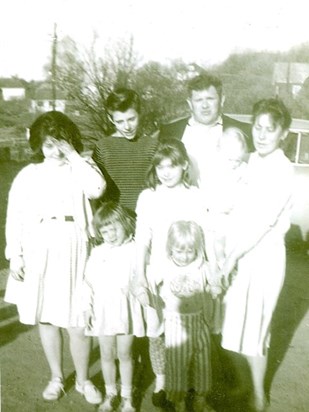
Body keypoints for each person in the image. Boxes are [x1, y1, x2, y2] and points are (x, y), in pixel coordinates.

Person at [4, 111, 106, 404]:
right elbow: (16, 218)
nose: (55, 150)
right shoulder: (29, 175)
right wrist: (16, 255)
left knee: (78, 319)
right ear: (39, 144)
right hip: (40, 245)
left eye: (60, 142)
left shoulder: (81, 167)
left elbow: (97, 189)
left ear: (70, 141)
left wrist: (73, 155)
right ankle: (57, 377)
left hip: (75, 243)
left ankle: (84, 380)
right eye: (49, 144)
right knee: (47, 318)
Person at [220, 98, 294, 411]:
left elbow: (262, 224)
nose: (261, 135)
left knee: (256, 329)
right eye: (257, 127)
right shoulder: (250, 162)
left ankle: (259, 395)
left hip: (263, 256)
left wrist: (231, 257)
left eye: (269, 129)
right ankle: (243, 384)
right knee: (232, 326)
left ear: (283, 133)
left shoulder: (283, 169)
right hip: (239, 252)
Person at [135, 138, 210, 408]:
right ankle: (163, 379)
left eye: (172, 166)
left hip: (190, 272)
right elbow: (142, 238)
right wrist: (139, 276)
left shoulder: (195, 195)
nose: (166, 172)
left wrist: (208, 271)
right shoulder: (148, 197)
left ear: (184, 166)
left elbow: (204, 236)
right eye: (160, 166)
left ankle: (191, 383)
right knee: (157, 329)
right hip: (157, 271)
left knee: (189, 329)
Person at [82, 201, 145, 412]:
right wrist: (87, 307)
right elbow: (87, 283)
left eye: (114, 229)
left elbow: (143, 279)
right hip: (102, 311)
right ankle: (111, 394)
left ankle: (127, 397)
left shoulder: (136, 249)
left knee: (125, 354)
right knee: (106, 354)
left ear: (125, 224)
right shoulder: (98, 253)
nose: (109, 234)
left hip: (126, 310)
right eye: (104, 230)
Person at [158, 220, 217, 412]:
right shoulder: (165, 267)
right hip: (176, 322)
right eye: (179, 251)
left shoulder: (202, 266)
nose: (184, 256)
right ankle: (178, 399)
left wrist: (214, 286)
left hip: (199, 320)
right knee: (177, 363)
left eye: (189, 251)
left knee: (203, 362)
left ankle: (201, 398)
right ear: (170, 248)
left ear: (197, 249)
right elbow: (150, 282)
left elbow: (214, 283)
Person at [159, 73, 253, 192]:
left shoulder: (245, 132)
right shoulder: (169, 132)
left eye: (210, 99)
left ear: (222, 100)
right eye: (198, 100)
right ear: (190, 103)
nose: (204, 106)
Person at [92, 87, 159, 213]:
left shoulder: (152, 145)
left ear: (140, 113)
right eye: (120, 121)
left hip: (147, 217)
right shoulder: (102, 147)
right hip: (114, 222)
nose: (127, 126)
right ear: (111, 119)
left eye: (131, 119)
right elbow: (96, 192)